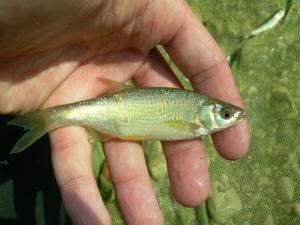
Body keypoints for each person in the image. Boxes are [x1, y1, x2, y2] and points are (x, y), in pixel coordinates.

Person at [0, 0, 250, 224]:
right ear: (204, 112)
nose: (229, 118)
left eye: (225, 115)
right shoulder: (191, 121)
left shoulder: (194, 116)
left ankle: (41, 123)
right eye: (224, 115)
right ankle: (46, 120)